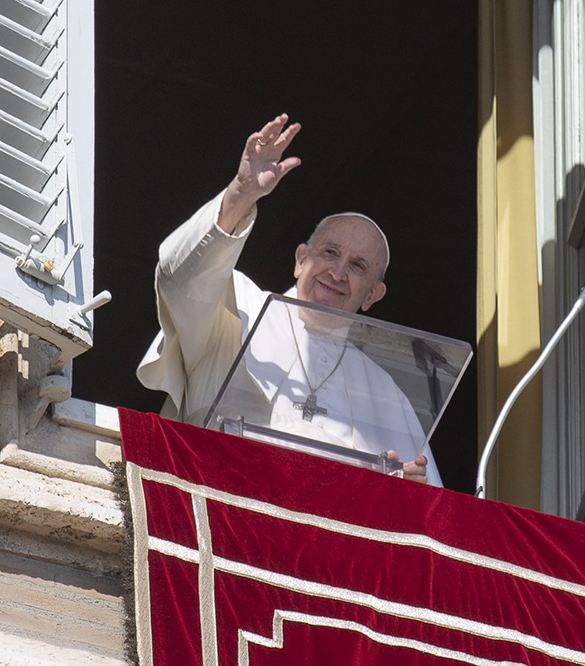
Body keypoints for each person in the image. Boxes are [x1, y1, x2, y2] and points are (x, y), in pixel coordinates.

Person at [137, 114, 439, 485]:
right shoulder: (238, 306)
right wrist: (240, 194)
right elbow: (177, 279)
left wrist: (411, 489)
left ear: (372, 296)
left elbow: (428, 510)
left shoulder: (389, 395)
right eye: (329, 253)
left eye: (357, 266)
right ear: (300, 260)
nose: (338, 273)